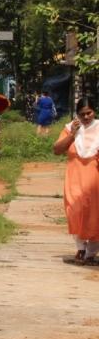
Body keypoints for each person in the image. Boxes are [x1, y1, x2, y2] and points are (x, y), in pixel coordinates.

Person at [53, 98, 99, 265]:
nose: (86, 117)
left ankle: (91, 252)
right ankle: (80, 247)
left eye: (89, 113)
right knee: (74, 211)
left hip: (95, 180)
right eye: (82, 114)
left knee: (94, 215)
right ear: (77, 114)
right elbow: (57, 150)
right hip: (74, 178)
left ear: (94, 111)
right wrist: (72, 134)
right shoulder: (70, 128)